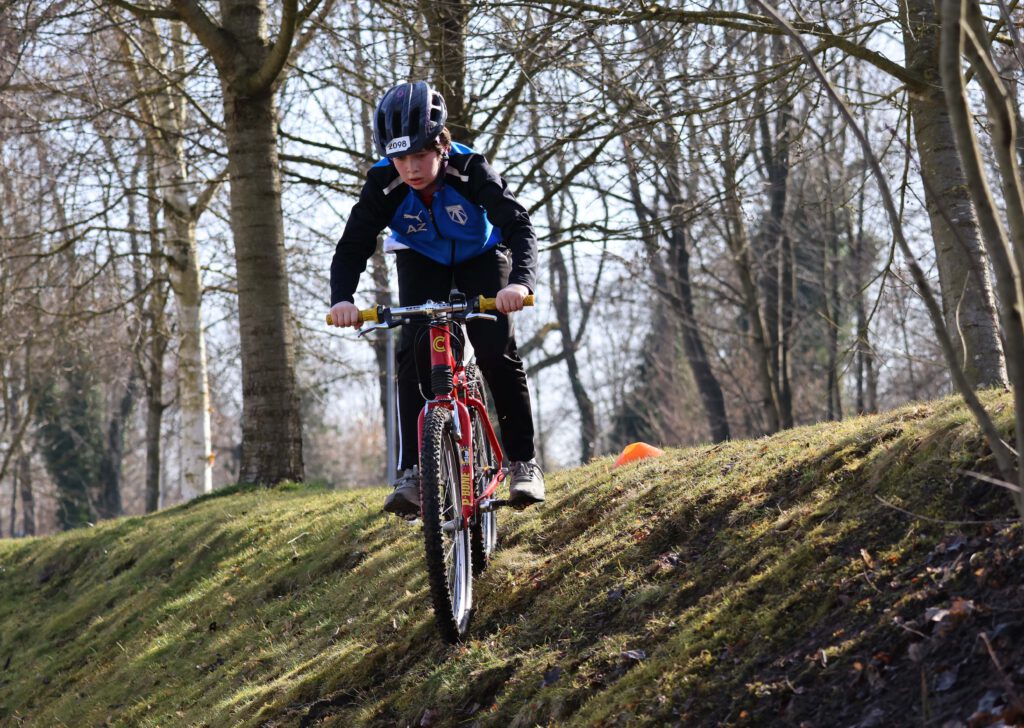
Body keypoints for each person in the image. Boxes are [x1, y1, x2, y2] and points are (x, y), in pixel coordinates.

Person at [329, 81, 545, 517]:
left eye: (420, 155)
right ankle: (412, 473)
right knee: (415, 355)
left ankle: (524, 462)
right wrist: (342, 298)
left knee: (495, 351)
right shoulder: (383, 183)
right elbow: (352, 245)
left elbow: (518, 225)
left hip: (481, 257)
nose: (410, 168)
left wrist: (519, 284)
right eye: (400, 158)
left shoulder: (471, 170)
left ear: (442, 146)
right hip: (421, 257)